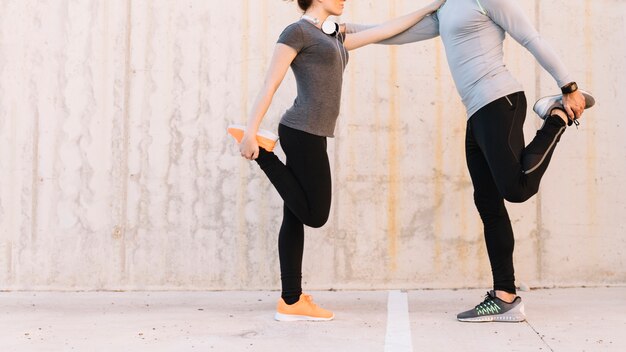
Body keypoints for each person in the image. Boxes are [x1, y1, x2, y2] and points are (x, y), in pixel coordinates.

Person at [345, 0, 595, 322]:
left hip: (499, 101)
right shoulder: (446, 7)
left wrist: (569, 87)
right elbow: (396, 33)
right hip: (477, 113)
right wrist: (345, 30)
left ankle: (557, 115)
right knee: (488, 204)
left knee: (517, 188)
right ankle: (505, 297)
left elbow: (531, 38)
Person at [228, 0, 446, 321]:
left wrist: (431, 7)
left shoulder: (333, 36)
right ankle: (264, 154)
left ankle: (291, 300)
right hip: (300, 131)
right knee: (315, 216)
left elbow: (385, 30)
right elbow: (270, 82)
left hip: (313, 133)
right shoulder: (297, 32)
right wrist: (249, 131)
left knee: (295, 214)